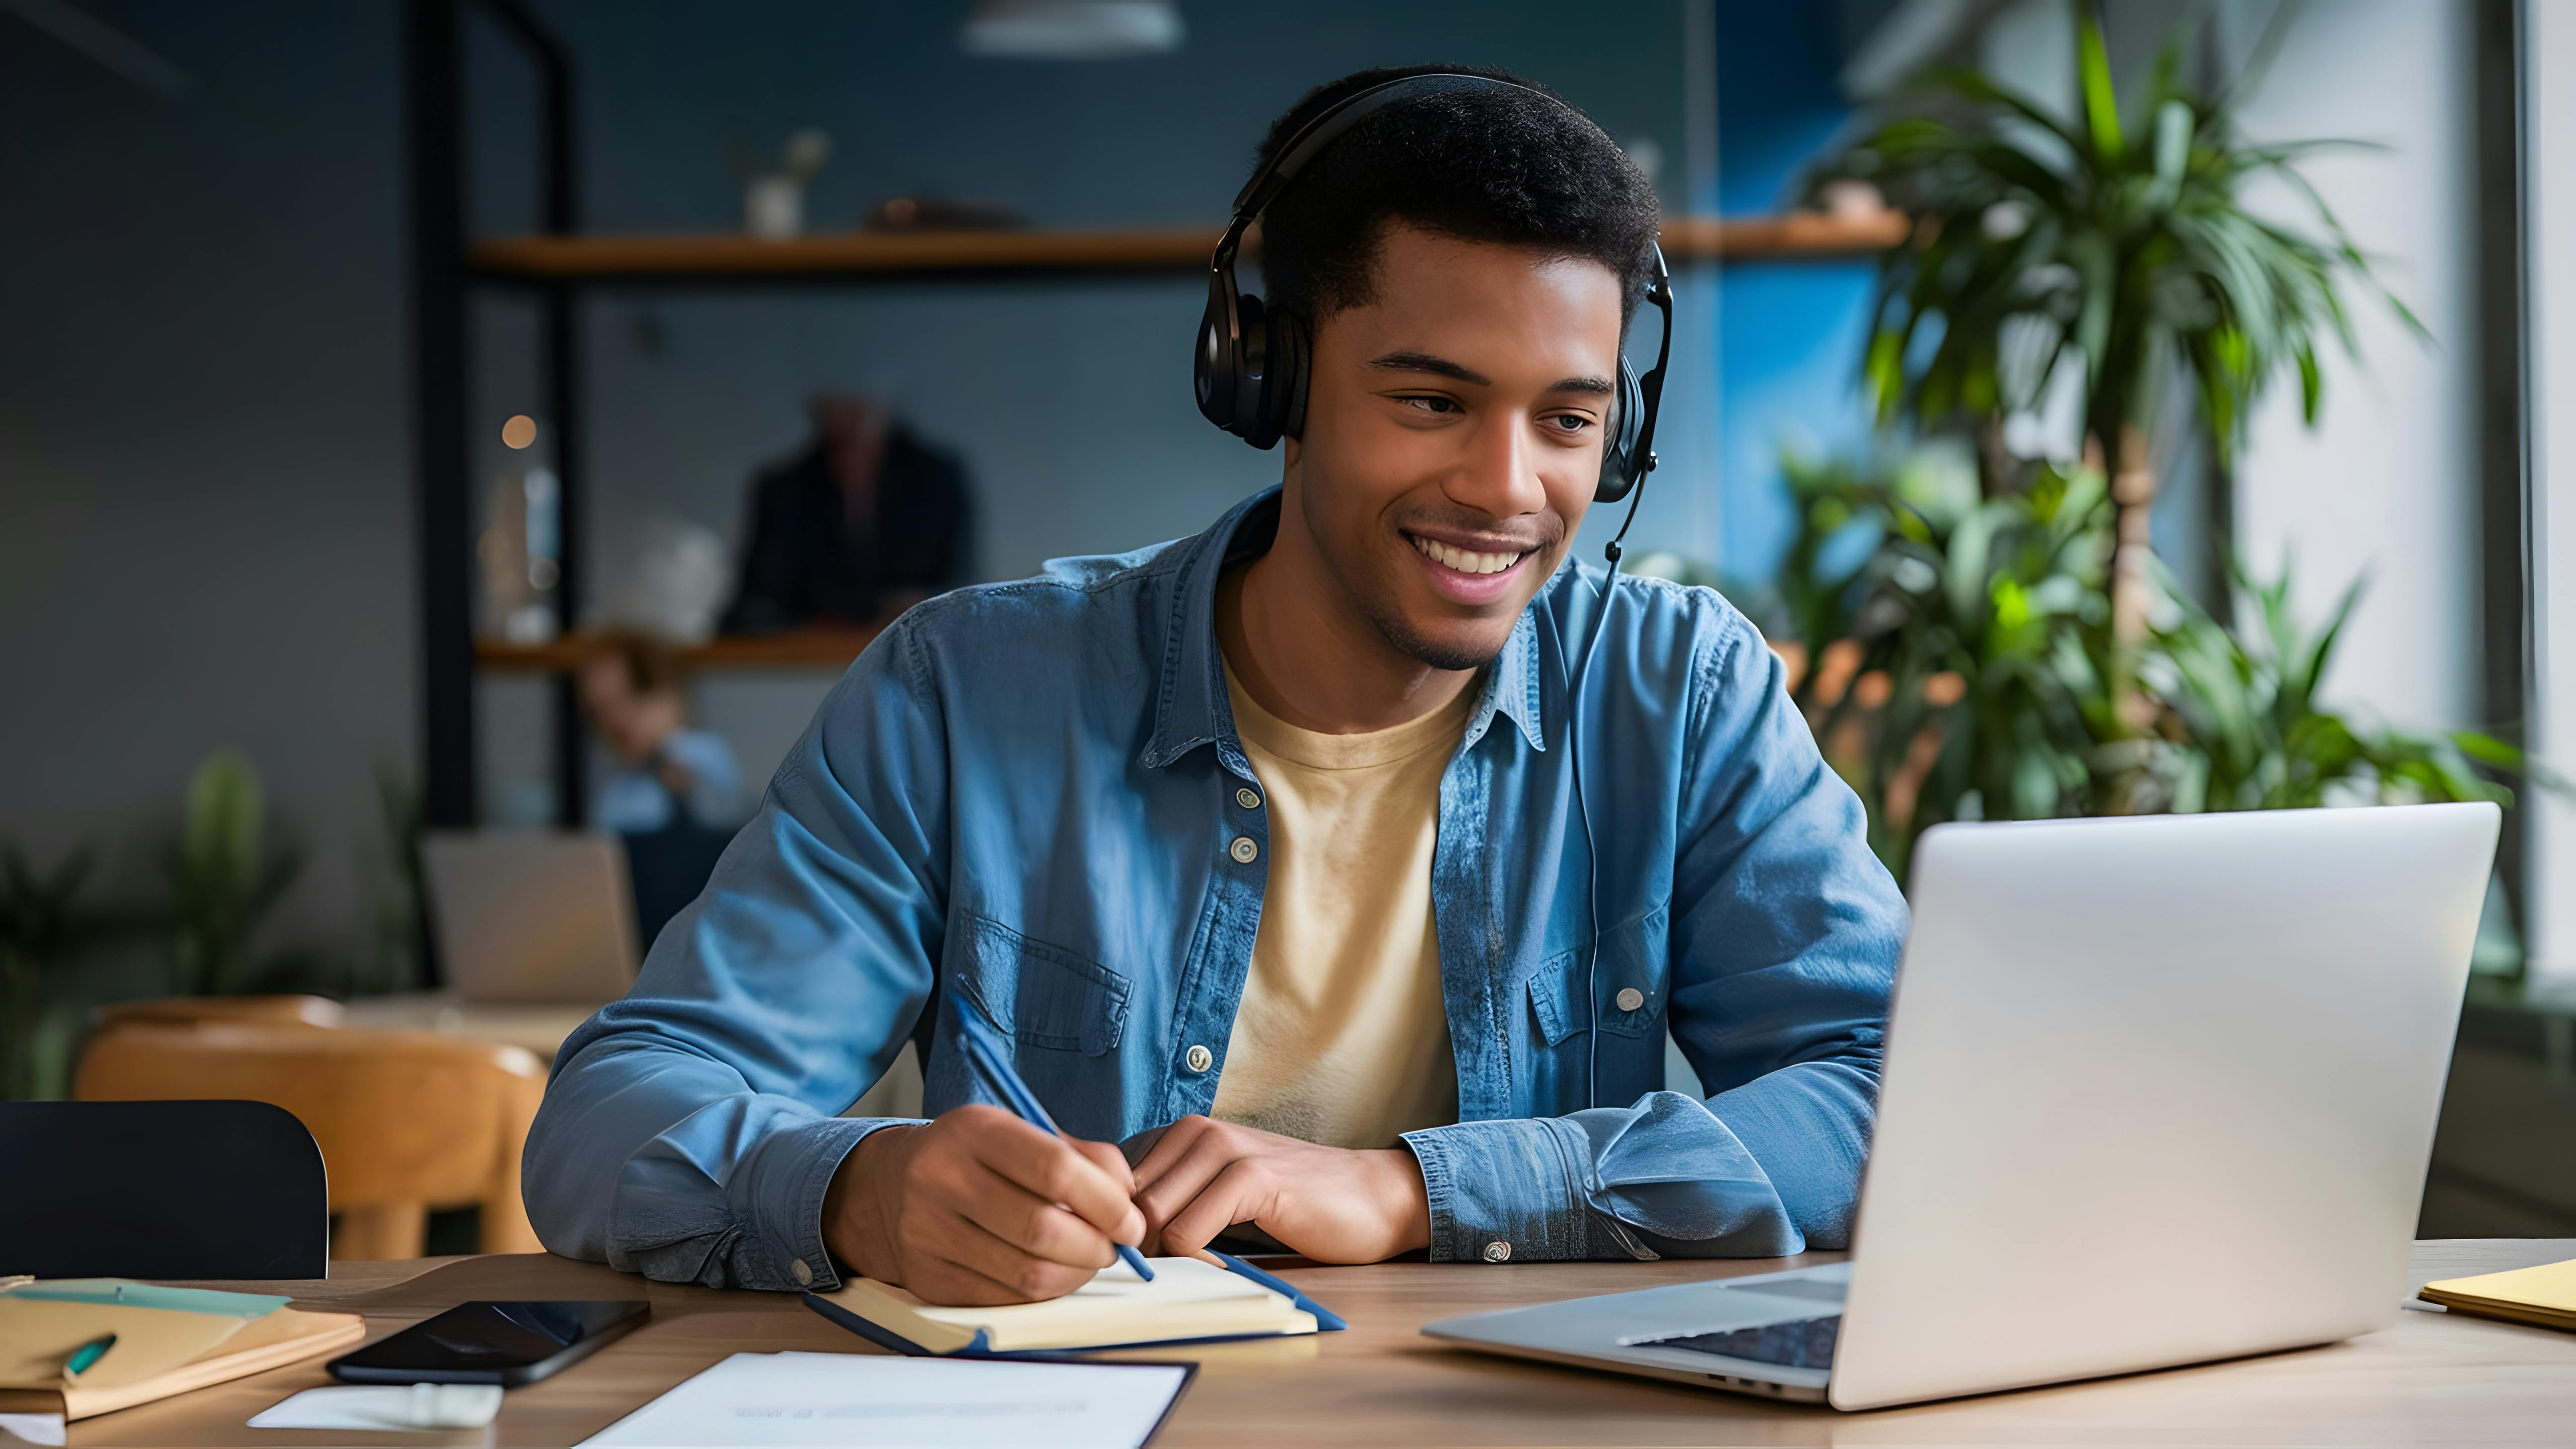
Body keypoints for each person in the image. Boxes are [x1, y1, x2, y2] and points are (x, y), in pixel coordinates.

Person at [526, 65, 1903, 1307]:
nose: (1506, 487)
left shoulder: (1680, 691)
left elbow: (1902, 1094)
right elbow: (610, 1116)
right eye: (1431, 401)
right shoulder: (969, 690)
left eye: (1568, 420)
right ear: (1270, 378)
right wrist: (855, 1188)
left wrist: (1416, 1190)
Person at [718, 394, 974, 634]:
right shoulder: (787, 489)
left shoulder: (934, 480)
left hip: (915, 642)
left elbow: (955, 584)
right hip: (805, 655)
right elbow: (763, 593)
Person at [577, 629, 746, 835]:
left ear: (671, 692)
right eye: (601, 711)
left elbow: (726, 813)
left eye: (634, 696)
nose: (617, 719)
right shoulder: (619, 781)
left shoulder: (698, 752)